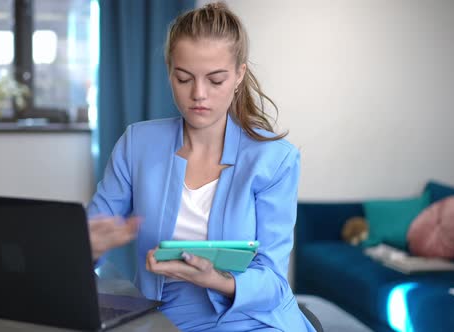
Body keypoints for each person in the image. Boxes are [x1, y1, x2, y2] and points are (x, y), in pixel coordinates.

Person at [88, 3, 315, 331]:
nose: (198, 94)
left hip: (256, 319)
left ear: (238, 75)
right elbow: (91, 233)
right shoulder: (138, 144)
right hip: (169, 317)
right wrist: (89, 246)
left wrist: (218, 279)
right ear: (170, 72)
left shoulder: (274, 159)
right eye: (184, 78)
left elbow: (274, 282)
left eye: (215, 79)